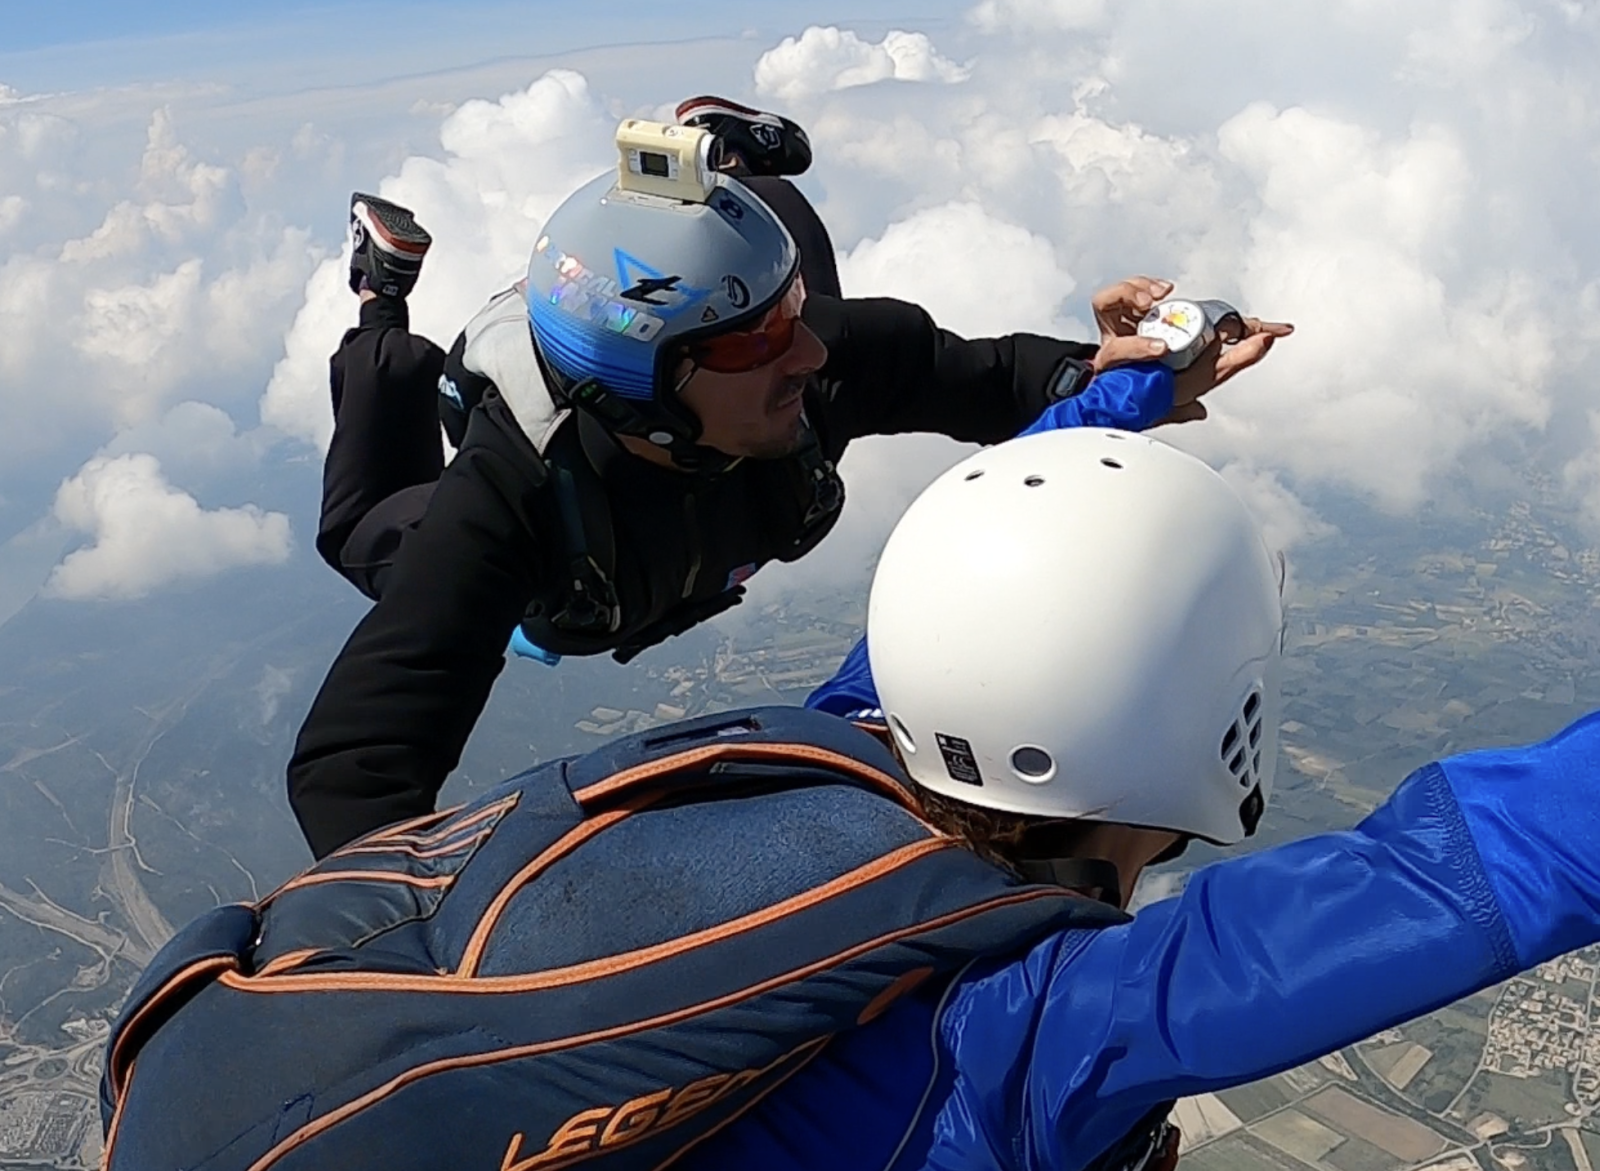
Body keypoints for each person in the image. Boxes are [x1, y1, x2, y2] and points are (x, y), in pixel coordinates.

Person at [101, 427, 1600, 1171]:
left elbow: (974, 623)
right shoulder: (1013, 1031)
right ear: (1216, 714)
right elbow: (1476, 870)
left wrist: (1121, 399)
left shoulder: (797, 779)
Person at [291, 99, 1292, 859]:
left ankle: (713, 160)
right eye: (758, 339)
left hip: (683, 511)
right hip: (569, 563)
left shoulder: (822, 362)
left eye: (791, 312)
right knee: (364, 531)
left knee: (824, 305)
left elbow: (988, 378)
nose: (808, 351)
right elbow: (353, 768)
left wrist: (1125, 368)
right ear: (645, 389)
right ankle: (382, 295)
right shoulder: (504, 505)